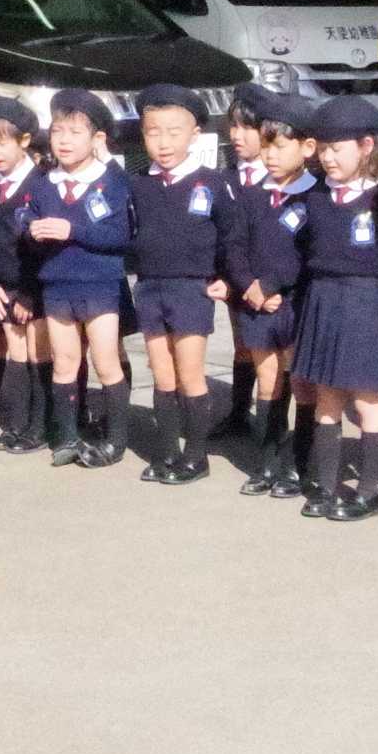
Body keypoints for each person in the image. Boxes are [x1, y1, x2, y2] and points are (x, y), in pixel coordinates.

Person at [293, 96, 378, 522]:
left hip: (367, 303)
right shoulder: (316, 197)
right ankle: (325, 485)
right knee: (326, 398)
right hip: (323, 300)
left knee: (366, 400)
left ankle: (368, 490)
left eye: (336, 149)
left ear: (365, 146)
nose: (327, 158)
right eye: (321, 149)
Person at [128, 82, 246, 484]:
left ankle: (196, 456)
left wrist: (228, 281)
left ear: (196, 134)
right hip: (149, 287)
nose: (162, 142)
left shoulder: (213, 183)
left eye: (174, 132)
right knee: (162, 375)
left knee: (190, 373)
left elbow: (232, 238)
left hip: (191, 289)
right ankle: (165, 453)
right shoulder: (137, 182)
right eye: (153, 131)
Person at [29, 89, 137, 468]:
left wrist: (71, 229)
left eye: (75, 133)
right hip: (57, 284)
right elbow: (23, 217)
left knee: (106, 360)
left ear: (98, 140)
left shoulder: (112, 181)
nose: (64, 141)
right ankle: (66, 436)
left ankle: (116, 440)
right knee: (64, 361)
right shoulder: (43, 181)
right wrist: (30, 228)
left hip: (99, 284)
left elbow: (121, 237)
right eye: (58, 131)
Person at [233, 92, 317, 496]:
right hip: (257, 304)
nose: (270, 155)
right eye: (265, 145)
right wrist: (248, 286)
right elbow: (233, 246)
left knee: (300, 383)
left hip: (297, 303)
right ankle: (267, 464)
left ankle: (299, 465)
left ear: (306, 147)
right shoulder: (252, 194)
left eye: (280, 146)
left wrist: (274, 286)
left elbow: (311, 252)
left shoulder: (315, 196)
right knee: (268, 384)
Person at [0, 94, 47, 453]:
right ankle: (16, 423)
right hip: (2, 288)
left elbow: (44, 248)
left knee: (37, 351)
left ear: (25, 142)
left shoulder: (40, 184)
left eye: (2, 142)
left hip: (37, 287)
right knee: (16, 349)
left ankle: (39, 424)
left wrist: (30, 292)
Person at [212, 93, 274, 439]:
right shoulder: (227, 179)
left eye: (247, 127)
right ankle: (238, 413)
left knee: (271, 355)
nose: (237, 135)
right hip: (236, 280)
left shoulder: (280, 178)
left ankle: (272, 424)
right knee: (243, 346)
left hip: (272, 285)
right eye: (233, 126)